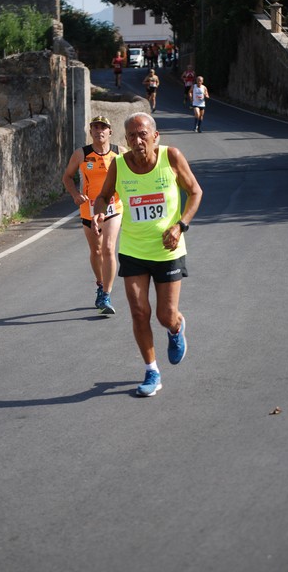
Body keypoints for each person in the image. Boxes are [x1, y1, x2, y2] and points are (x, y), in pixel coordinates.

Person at [92, 113, 203, 397]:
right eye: (131, 136)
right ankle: (152, 370)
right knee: (139, 312)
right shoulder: (119, 164)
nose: (137, 140)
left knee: (166, 316)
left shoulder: (172, 158)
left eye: (142, 134)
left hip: (168, 250)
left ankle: (176, 328)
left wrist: (181, 226)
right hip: (133, 250)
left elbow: (195, 192)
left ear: (155, 136)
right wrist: (100, 211)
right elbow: (103, 196)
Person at [62, 116, 127, 315]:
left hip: (113, 206)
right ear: (90, 132)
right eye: (95, 127)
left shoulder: (120, 153)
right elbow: (67, 177)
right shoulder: (81, 154)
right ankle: (100, 283)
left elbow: (134, 173)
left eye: (104, 127)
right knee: (96, 250)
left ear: (110, 132)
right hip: (89, 208)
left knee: (108, 248)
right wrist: (75, 194)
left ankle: (106, 294)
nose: (100, 131)